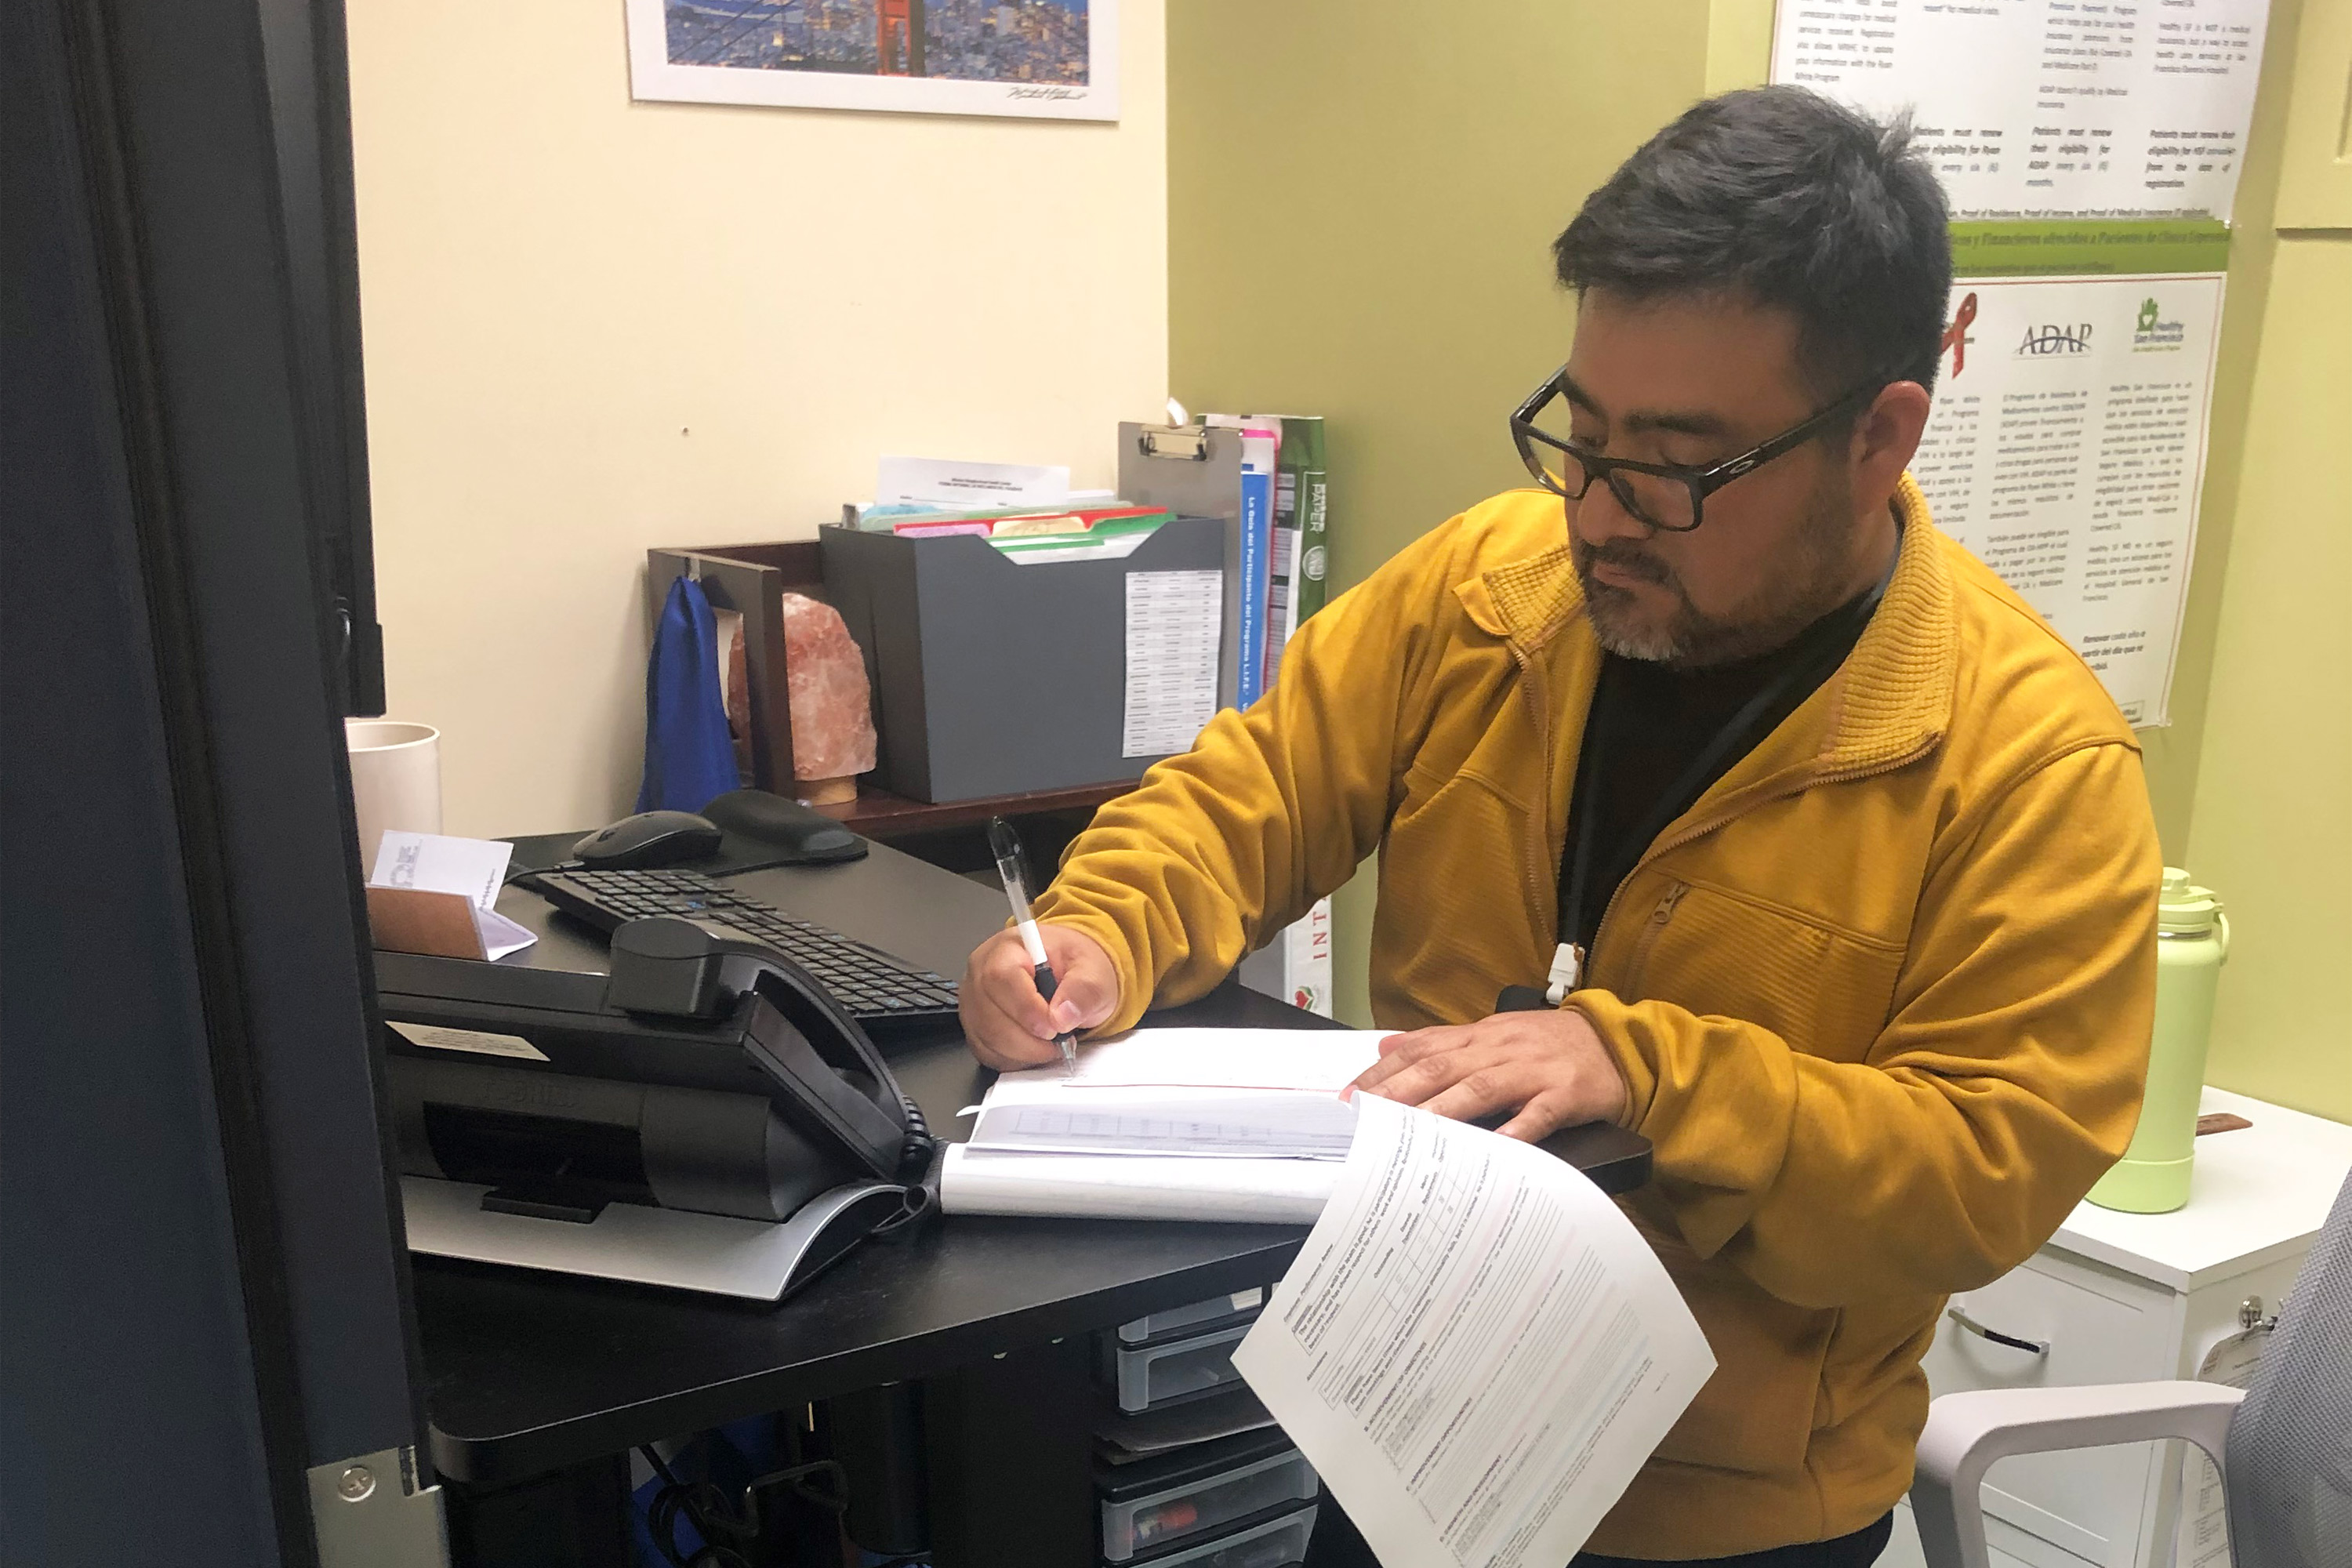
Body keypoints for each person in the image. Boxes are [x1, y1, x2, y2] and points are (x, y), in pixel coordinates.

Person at [959, 86, 2158, 1566]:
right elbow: (1249, 793)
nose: (1594, 513)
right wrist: (1099, 928)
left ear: (1880, 438)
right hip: (1403, 1420)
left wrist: (1649, 1072)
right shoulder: (1489, 585)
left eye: (1670, 463)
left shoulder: (2027, 761)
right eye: (1579, 433)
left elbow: (1988, 1164)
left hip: (1728, 1515)